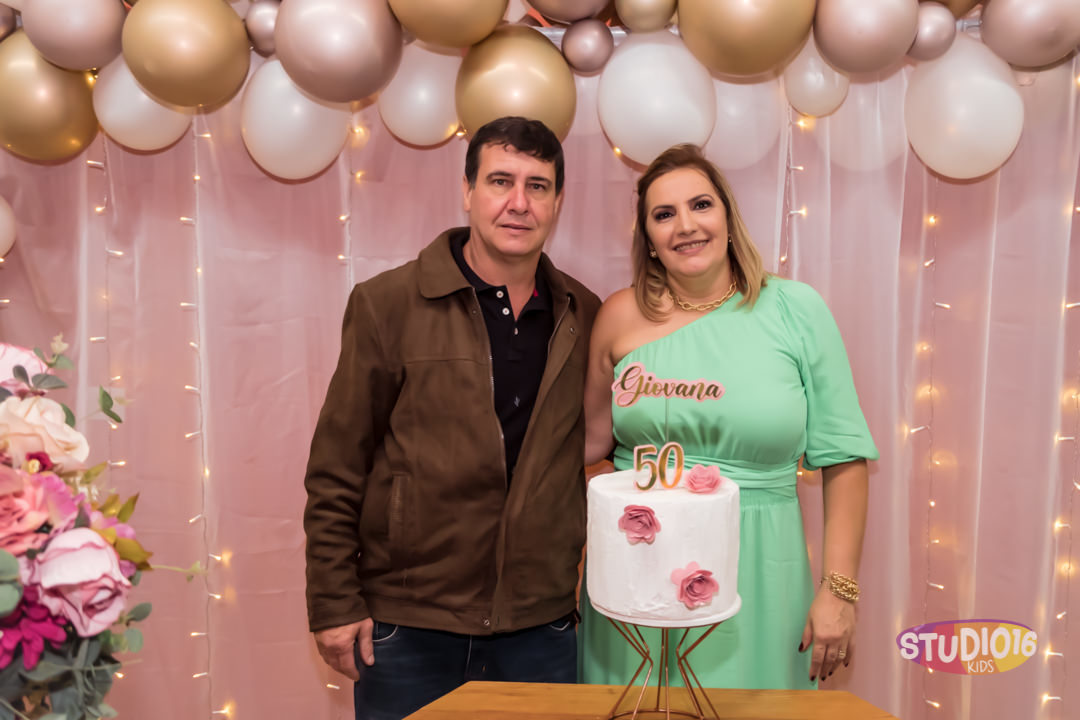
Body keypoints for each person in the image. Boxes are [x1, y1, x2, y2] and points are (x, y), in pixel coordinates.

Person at [303, 116, 601, 720]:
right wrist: (334, 602)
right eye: (500, 181)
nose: (519, 203)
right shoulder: (388, 304)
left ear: (558, 201)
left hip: (539, 629)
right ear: (468, 190)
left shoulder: (584, 313)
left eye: (538, 186)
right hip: (408, 628)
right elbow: (338, 466)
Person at [578, 144, 878, 690]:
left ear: (727, 216)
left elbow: (844, 456)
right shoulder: (619, 315)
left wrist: (839, 592)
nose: (686, 226)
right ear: (648, 239)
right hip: (637, 566)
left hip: (760, 564)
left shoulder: (795, 309)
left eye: (701, 205)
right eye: (664, 214)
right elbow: (588, 442)